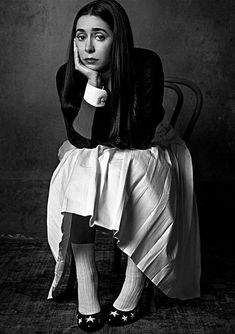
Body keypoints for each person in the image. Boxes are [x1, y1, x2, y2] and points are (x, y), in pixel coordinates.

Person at [47, 0, 201, 332]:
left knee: (136, 171)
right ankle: (87, 276)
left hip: (151, 147)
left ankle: (135, 279)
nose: (87, 47)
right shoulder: (68, 74)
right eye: (80, 36)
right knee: (79, 171)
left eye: (99, 36)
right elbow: (81, 139)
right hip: (100, 151)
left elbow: (139, 136)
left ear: (118, 38)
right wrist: (91, 85)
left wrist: (96, 125)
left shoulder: (145, 64)